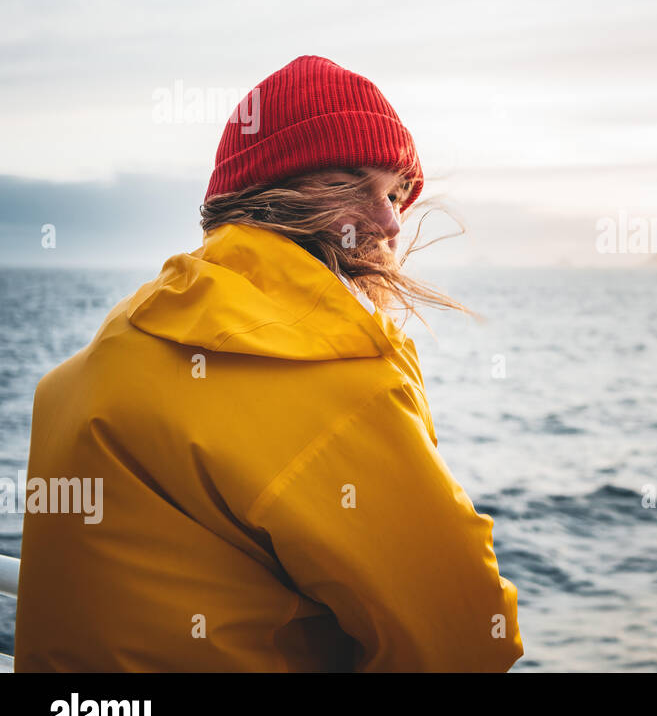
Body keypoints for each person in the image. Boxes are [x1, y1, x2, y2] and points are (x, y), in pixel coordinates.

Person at [14, 55, 524, 671]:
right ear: (269, 194)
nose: (390, 220)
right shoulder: (331, 374)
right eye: (348, 183)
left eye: (393, 192)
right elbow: (469, 635)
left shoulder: (109, 348)